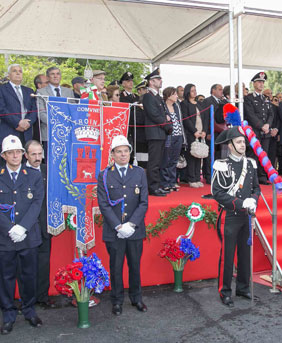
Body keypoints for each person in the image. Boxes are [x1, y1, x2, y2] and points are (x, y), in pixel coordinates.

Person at [0, 135, 44, 335]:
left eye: (18, 152)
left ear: (23, 154)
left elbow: (37, 203)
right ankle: (8, 315)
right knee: (6, 278)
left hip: (28, 236)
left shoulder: (34, 175)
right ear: (4, 155)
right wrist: (10, 229)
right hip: (4, 238)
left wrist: (23, 227)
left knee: (29, 276)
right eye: (11, 152)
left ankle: (29, 310)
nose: (15, 155)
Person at [97, 135, 148, 316]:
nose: (123, 154)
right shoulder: (104, 175)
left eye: (126, 151)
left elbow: (143, 203)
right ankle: (117, 301)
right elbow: (103, 204)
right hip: (114, 231)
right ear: (112, 154)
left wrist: (131, 224)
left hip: (135, 230)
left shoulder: (140, 172)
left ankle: (137, 298)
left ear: (130, 152)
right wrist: (119, 226)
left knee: (135, 265)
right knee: (116, 267)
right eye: (119, 151)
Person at [212, 126, 260, 307]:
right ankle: (224, 291)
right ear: (230, 145)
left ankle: (243, 287)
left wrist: (253, 200)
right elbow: (217, 193)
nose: (243, 145)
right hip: (230, 216)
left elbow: (256, 187)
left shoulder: (251, 163)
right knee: (227, 255)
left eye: (244, 141)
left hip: (246, 216)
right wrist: (241, 203)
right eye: (239, 142)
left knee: (245, 253)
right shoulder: (222, 164)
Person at [23, 140, 55, 308]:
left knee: (43, 263)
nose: (37, 158)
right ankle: (27, 300)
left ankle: (42, 296)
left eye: (39, 154)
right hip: (26, 228)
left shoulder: (47, 171)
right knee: (26, 266)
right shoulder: (20, 172)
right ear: (26, 155)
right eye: (33, 154)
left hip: (44, 226)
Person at [0, 64, 37, 160]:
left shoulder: (29, 91)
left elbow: (34, 110)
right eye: (14, 71)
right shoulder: (0, 89)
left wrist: (27, 123)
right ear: (8, 75)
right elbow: (0, 109)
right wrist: (18, 122)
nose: (18, 73)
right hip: (9, 130)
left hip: (26, 132)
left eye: (20, 71)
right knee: (7, 164)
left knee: (25, 165)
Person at [244, 72, 275, 185]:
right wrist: (261, 126)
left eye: (263, 82)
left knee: (264, 154)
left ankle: (262, 176)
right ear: (254, 84)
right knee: (253, 155)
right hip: (254, 131)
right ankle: (252, 177)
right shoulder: (248, 98)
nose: (261, 84)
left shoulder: (266, 98)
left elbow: (271, 114)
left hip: (265, 132)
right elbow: (250, 114)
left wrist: (267, 125)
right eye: (259, 82)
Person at [37, 67, 74, 159]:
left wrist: (66, 122)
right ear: (48, 77)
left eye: (58, 74)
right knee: (51, 162)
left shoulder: (69, 92)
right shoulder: (41, 92)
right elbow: (41, 113)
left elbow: (73, 110)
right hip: (49, 133)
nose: (55, 76)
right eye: (52, 74)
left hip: (66, 133)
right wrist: (56, 123)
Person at [142, 68, 168, 197]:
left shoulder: (157, 97)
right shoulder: (148, 96)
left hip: (160, 132)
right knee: (154, 162)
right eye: (158, 79)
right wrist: (166, 125)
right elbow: (154, 114)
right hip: (155, 133)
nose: (160, 81)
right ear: (151, 82)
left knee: (158, 161)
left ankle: (157, 185)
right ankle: (153, 187)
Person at [181, 83, 208, 188]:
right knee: (192, 156)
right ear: (188, 92)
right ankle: (192, 179)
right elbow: (186, 119)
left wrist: (204, 131)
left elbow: (205, 118)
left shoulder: (200, 104)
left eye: (195, 90)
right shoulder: (184, 104)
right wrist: (194, 131)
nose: (195, 92)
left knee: (200, 155)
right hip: (191, 133)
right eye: (192, 90)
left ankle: (197, 177)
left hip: (201, 133)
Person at [161, 87, 184, 192]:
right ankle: (165, 182)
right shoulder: (163, 106)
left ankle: (172, 182)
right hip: (169, 136)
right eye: (174, 94)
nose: (176, 96)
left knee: (174, 160)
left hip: (178, 135)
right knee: (166, 159)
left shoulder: (177, 106)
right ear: (169, 95)